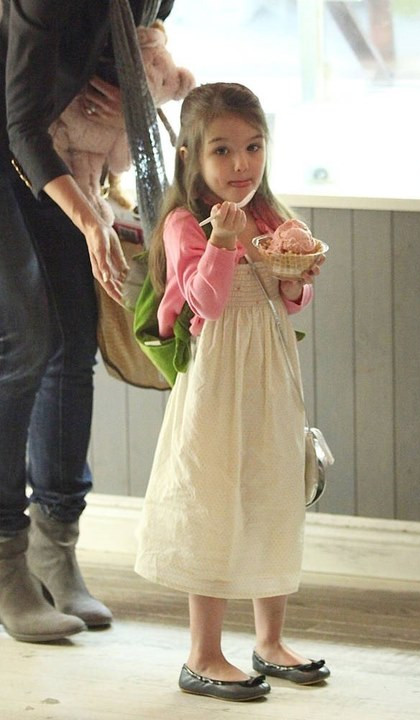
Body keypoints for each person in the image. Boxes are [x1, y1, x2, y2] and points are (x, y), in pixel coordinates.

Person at [134, 81, 330, 703]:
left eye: (253, 146)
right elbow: (207, 303)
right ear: (191, 155)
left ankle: (270, 642)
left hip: (270, 375)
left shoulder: (273, 219)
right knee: (213, 502)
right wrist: (221, 242)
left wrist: (297, 278)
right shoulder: (184, 225)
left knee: (273, 492)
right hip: (216, 381)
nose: (241, 164)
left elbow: (289, 301)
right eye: (222, 149)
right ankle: (203, 654)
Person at [0, 0, 174, 644]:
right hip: (19, 133)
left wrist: (123, 87)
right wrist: (90, 222)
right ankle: (6, 559)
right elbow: (19, 120)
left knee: (75, 341)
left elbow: (137, 40)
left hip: (49, 139)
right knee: (24, 341)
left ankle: (56, 547)